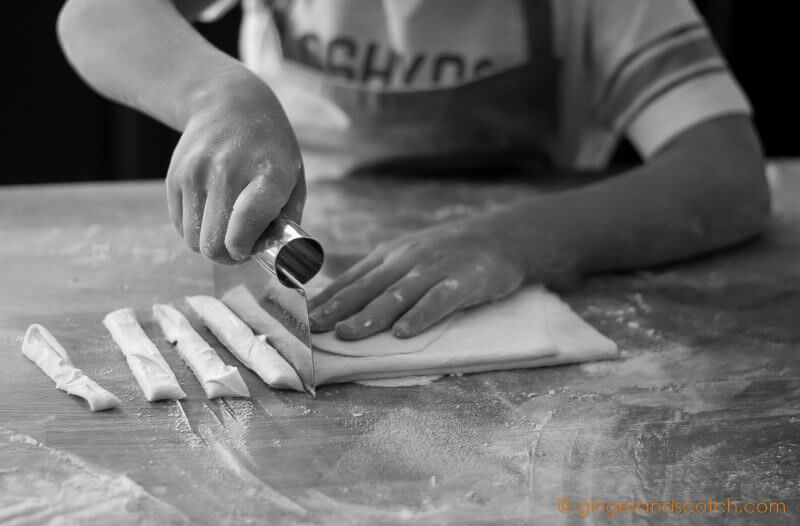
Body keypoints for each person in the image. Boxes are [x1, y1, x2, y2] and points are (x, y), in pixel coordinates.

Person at [58, 0, 769, 341]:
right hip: (305, 251)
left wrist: (522, 239)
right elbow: (93, 13)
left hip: (511, 285)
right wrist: (216, 94)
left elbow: (727, 174)